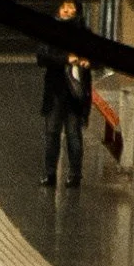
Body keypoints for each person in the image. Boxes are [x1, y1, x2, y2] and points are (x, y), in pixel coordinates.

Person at [40, 33, 91, 189]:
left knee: (73, 135)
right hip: (56, 95)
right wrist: (65, 59)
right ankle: (51, 174)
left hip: (74, 98)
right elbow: (42, 57)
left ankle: (74, 175)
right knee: (52, 135)